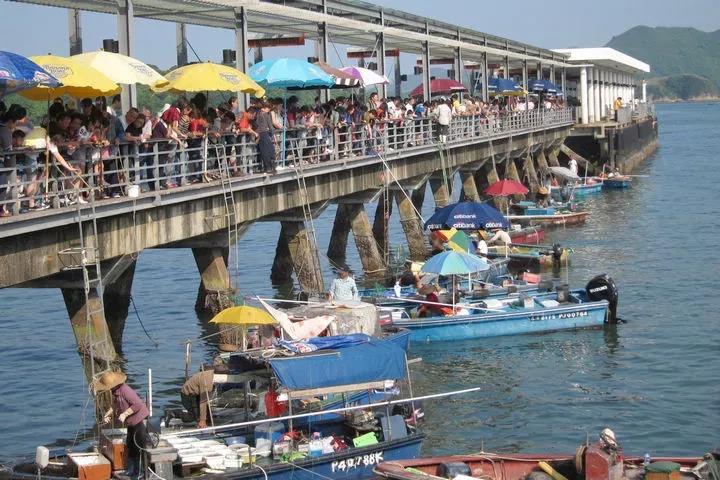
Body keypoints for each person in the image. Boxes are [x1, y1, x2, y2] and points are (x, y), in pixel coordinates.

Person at [95, 371, 149, 479]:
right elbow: (116, 404)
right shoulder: (115, 391)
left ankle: (141, 472)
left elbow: (138, 404)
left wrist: (125, 414)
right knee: (130, 444)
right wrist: (108, 413)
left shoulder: (125, 390)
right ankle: (131, 469)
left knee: (139, 446)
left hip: (139, 420)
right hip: (130, 423)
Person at [181, 364, 226, 429]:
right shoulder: (207, 382)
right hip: (188, 394)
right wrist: (202, 420)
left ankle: (201, 418)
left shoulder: (213, 373)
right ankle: (174, 413)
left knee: (208, 417)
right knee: (196, 417)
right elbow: (203, 402)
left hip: (198, 393)